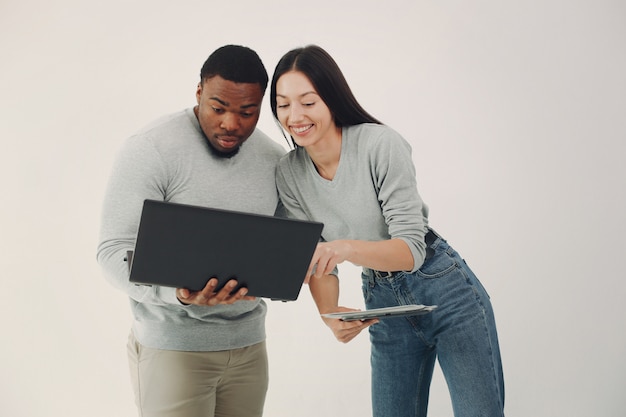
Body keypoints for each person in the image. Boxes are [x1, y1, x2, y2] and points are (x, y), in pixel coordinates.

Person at [270, 45, 505, 417]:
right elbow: (317, 260)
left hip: (444, 288)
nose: (294, 116)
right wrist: (330, 313)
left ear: (331, 99)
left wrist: (345, 248)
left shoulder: (380, 144)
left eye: (308, 102)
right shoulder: (289, 173)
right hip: (382, 300)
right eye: (283, 104)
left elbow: (411, 251)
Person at [96, 45, 286, 417]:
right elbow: (112, 252)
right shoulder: (152, 149)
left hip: (250, 350)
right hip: (173, 351)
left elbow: (283, 251)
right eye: (218, 108)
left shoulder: (274, 159)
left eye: (247, 112)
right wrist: (177, 294)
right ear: (198, 92)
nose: (231, 124)